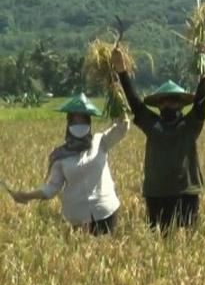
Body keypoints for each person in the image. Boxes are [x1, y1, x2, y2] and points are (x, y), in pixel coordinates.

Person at [112, 45, 205, 231]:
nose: (169, 104)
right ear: (158, 105)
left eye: (174, 100)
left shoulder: (190, 124)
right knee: (159, 241)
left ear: (181, 104)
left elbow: (201, 100)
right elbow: (135, 103)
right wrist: (121, 70)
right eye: (165, 100)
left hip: (186, 193)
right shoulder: (152, 123)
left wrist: (204, 64)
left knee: (185, 244)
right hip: (157, 194)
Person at [10, 94, 129, 236]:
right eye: (75, 120)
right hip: (77, 216)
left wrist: (117, 95)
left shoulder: (101, 141)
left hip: (105, 210)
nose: (79, 124)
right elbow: (51, 188)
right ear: (69, 124)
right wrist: (26, 196)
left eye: (83, 120)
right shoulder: (60, 155)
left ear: (89, 122)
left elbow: (122, 127)